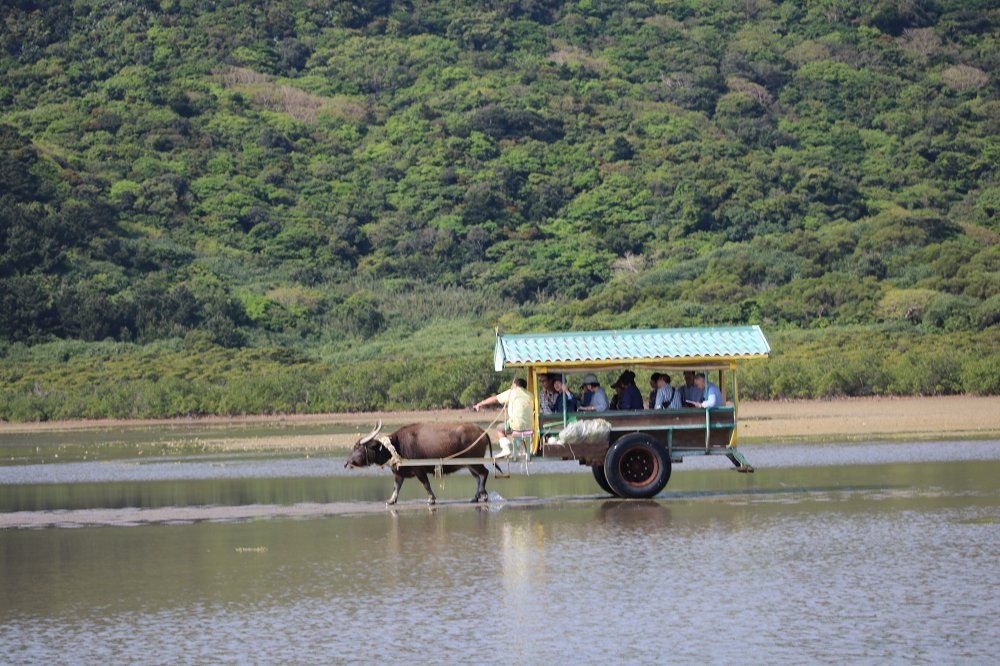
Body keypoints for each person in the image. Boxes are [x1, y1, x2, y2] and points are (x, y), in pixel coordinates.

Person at [473, 378, 532, 458]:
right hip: (530, 427)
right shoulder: (530, 395)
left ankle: (506, 449)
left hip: (517, 426)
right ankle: (523, 451)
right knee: (517, 426)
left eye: (512, 385)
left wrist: (480, 403)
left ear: (516, 384)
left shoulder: (512, 393)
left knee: (500, 428)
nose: (511, 386)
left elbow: (494, 399)